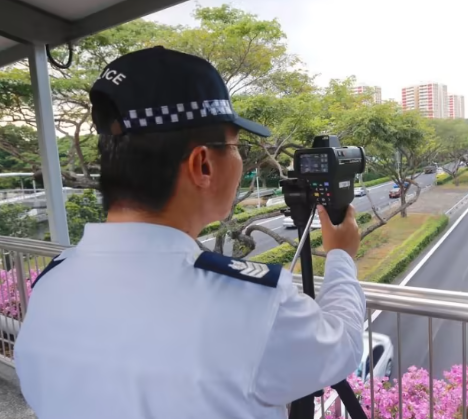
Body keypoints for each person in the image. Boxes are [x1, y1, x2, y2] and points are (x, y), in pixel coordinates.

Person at [14, 47, 365, 419]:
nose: (241, 159)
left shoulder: (52, 283)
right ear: (203, 165)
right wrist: (341, 256)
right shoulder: (252, 304)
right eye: (235, 146)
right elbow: (341, 347)